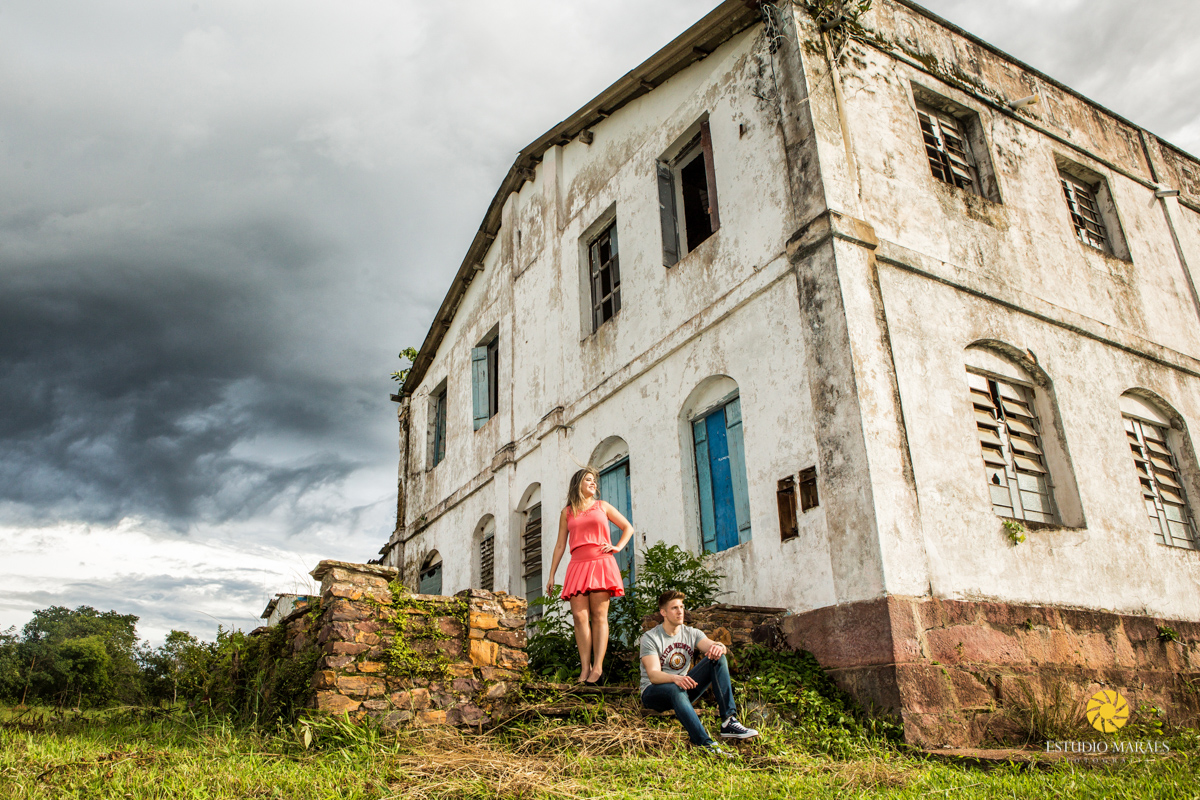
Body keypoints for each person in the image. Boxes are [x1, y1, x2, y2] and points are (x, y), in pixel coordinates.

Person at [639, 590, 759, 756]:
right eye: (674, 608)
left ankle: (729, 721)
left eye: (682, 607)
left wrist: (720, 647)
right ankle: (705, 744)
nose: (680, 611)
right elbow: (653, 675)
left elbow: (714, 646)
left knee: (717, 658)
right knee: (675, 688)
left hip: (681, 690)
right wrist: (675, 678)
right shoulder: (650, 638)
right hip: (654, 693)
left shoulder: (692, 633)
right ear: (663, 613)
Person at [546, 466, 634, 684]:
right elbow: (560, 545)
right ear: (578, 484)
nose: (594, 483)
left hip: (601, 562)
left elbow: (628, 527)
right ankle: (584, 668)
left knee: (599, 615)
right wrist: (551, 575)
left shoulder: (602, 506)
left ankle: (597, 668)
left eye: (594, 480)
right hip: (577, 565)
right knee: (579, 617)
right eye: (588, 479)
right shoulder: (567, 512)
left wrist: (617, 547)